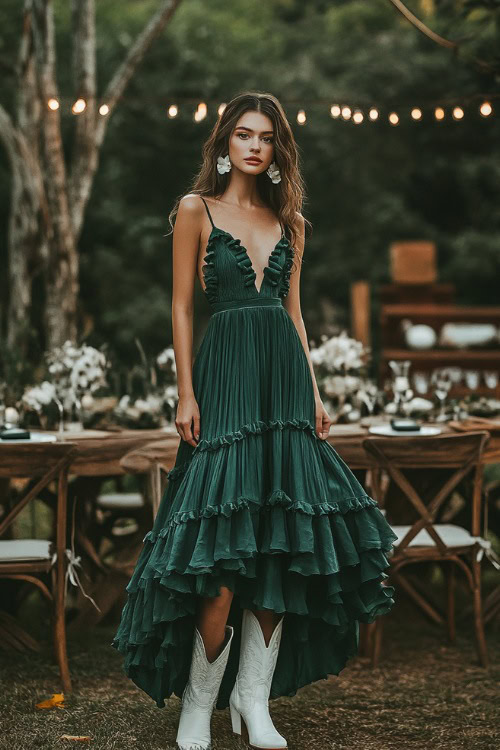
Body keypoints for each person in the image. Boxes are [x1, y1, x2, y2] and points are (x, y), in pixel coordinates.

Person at [112, 91, 398, 750]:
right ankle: (199, 707)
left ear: (276, 149)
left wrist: (317, 393)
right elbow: (182, 307)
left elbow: (295, 315)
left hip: (285, 392)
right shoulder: (196, 209)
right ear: (224, 143)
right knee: (217, 562)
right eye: (242, 134)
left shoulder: (290, 221)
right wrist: (185, 392)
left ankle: (253, 700)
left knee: (278, 549)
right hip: (226, 387)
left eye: (265, 137)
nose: (253, 145)